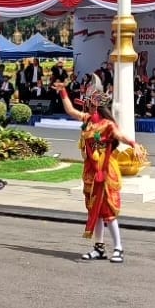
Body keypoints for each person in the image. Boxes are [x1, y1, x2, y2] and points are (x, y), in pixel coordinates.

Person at [57, 86, 139, 263]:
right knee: (94, 210)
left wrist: (133, 143)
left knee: (107, 211)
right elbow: (71, 110)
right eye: (88, 102)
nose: (87, 105)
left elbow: (119, 135)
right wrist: (63, 92)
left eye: (91, 102)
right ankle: (99, 248)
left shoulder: (107, 125)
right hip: (90, 170)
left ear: (98, 106)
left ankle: (118, 248)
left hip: (104, 169)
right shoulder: (87, 120)